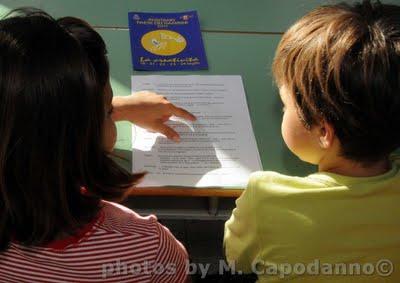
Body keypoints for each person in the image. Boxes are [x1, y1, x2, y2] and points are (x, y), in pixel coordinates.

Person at [0, 9, 194, 282]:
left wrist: (117, 107)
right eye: (106, 113)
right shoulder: (148, 248)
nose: (112, 114)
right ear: (80, 139)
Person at [224, 1, 400, 282]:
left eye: (285, 106)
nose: (282, 111)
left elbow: (235, 259)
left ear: (323, 132)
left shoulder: (266, 197)